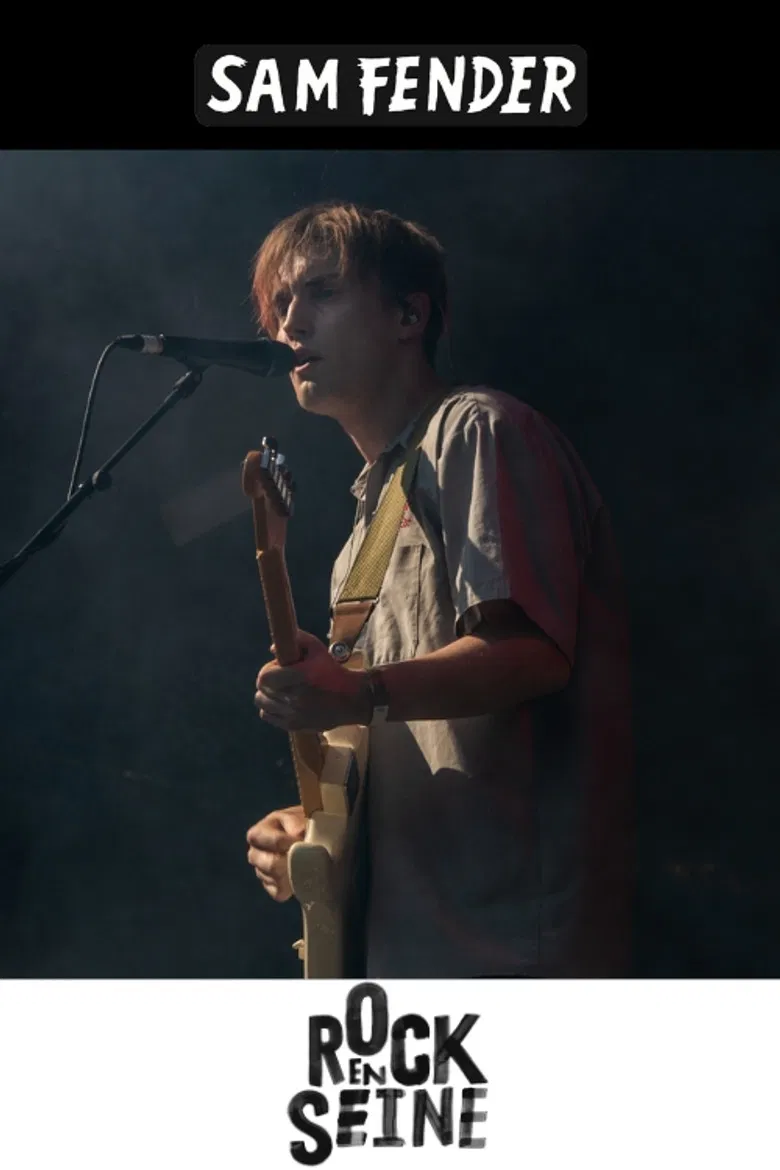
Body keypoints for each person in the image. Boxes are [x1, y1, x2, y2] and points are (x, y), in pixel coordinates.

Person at [245, 201, 635, 978]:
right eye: (281, 304)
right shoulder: (366, 527)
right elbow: (394, 738)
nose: (291, 323)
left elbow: (529, 653)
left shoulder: (476, 429)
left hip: (514, 950)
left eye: (321, 293)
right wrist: (319, 837)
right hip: (406, 956)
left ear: (407, 314)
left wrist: (358, 694)